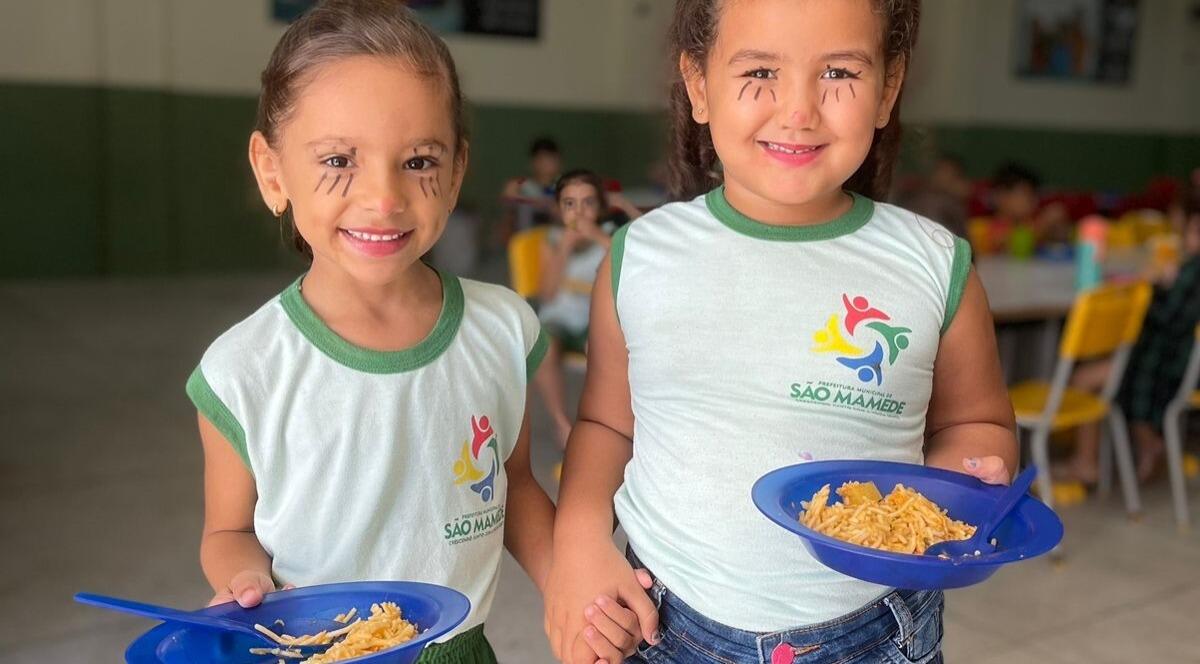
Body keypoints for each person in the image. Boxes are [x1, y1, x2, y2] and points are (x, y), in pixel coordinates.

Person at [544, 0, 1017, 662]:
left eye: (839, 73)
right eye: (761, 71)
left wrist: (957, 482)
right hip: (667, 624)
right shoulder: (642, 257)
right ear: (699, 84)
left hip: (874, 632)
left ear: (888, 88)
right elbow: (605, 426)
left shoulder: (932, 266)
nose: (799, 111)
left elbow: (977, 423)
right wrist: (577, 544)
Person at [186, 3, 636, 661]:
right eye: (339, 159)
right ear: (272, 172)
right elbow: (227, 532)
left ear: (455, 172)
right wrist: (244, 580)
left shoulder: (500, 331)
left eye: (419, 161)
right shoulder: (244, 370)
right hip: (315, 650)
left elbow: (511, 485)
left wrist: (571, 592)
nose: (384, 198)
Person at [1064, 191, 1200, 485]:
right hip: (1184, 363)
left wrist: (1150, 288)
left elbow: (1166, 317)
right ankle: (1148, 444)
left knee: (1084, 379)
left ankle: (1088, 461)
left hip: (1163, 364)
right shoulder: (1188, 269)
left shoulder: (1192, 271)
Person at [534, 170, 641, 449]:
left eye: (588, 203)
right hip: (558, 319)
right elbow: (547, 294)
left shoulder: (610, 237)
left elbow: (637, 259)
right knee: (543, 347)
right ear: (559, 209)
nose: (578, 212)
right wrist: (563, 249)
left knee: (599, 348)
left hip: (595, 320)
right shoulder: (553, 240)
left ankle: (606, 421)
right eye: (569, 204)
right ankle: (562, 424)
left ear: (600, 208)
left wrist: (599, 234)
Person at [500, 137, 563, 236]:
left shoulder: (564, 185)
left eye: (550, 159)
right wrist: (538, 202)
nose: (545, 164)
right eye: (541, 159)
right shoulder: (524, 182)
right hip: (525, 239)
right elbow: (510, 191)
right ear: (533, 162)